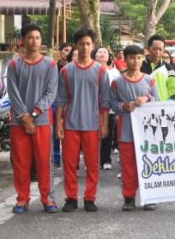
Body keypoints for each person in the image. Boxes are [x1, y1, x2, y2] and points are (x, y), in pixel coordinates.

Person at [6, 23, 60, 214]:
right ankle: (22, 199)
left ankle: (47, 199)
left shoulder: (50, 65)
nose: (34, 41)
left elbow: (51, 93)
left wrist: (35, 114)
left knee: (45, 161)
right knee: (21, 162)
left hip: (43, 121)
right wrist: (25, 118)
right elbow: (13, 93)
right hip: (19, 122)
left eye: (37, 37)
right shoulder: (14, 65)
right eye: (30, 37)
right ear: (23, 40)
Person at [56, 28, 111, 212]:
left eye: (88, 44)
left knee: (92, 165)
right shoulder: (66, 71)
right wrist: (59, 124)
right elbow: (61, 100)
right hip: (71, 124)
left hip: (92, 125)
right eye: (81, 44)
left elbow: (105, 100)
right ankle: (71, 198)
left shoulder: (100, 70)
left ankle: (90, 198)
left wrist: (104, 124)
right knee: (69, 165)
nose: (85, 47)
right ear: (76, 46)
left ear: (93, 46)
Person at [111, 44, 159, 212]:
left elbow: (158, 101)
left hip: (147, 132)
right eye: (132, 57)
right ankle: (129, 197)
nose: (136, 61)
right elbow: (113, 104)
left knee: (146, 163)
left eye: (139, 57)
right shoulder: (117, 82)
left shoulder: (149, 80)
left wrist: (146, 98)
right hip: (126, 131)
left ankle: (149, 197)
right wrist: (125, 106)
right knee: (128, 165)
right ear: (125, 59)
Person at [95, 46, 119, 170]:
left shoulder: (115, 72)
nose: (102, 54)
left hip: (108, 108)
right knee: (92, 136)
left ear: (109, 57)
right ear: (95, 55)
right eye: (100, 52)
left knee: (107, 134)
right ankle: (92, 160)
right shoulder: (91, 70)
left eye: (105, 52)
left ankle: (106, 160)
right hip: (93, 108)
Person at [141, 34, 175, 101]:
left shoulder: (169, 68)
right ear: (148, 49)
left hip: (162, 107)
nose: (157, 52)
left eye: (160, 49)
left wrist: (167, 101)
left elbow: (173, 88)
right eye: (154, 49)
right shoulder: (139, 66)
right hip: (143, 107)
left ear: (163, 50)